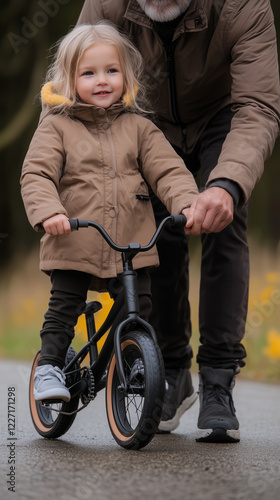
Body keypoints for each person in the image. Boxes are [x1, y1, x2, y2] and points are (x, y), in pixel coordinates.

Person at [77, 0, 280, 442]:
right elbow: (70, 90)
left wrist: (227, 184)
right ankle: (170, 369)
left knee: (224, 221)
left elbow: (258, 107)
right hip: (143, 119)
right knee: (154, 230)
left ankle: (218, 379)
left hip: (224, 116)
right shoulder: (106, 5)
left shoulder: (243, 7)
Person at [20, 22, 199, 404]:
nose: (102, 81)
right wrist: (50, 211)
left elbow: (168, 169)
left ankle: (131, 359)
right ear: (69, 80)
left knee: (141, 306)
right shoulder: (57, 127)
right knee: (63, 306)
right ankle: (50, 366)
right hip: (73, 237)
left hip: (130, 243)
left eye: (111, 71)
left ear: (127, 75)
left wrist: (186, 202)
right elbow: (36, 173)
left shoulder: (139, 127)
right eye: (89, 73)